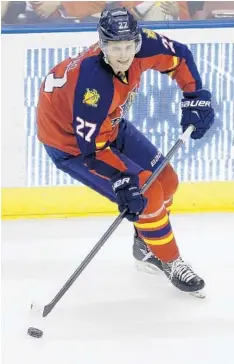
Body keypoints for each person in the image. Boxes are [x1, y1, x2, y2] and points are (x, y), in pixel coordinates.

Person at [37, 8, 214, 297]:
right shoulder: (92, 86)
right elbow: (91, 151)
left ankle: (146, 244)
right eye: (114, 48)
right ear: (101, 46)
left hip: (110, 125)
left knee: (167, 181)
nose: (123, 55)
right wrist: (122, 180)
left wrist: (195, 96)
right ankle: (169, 259)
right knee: (146, 193)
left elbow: (180, 57)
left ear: (138, 42)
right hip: (71, 145)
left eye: (129, 46)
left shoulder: (144, 45)